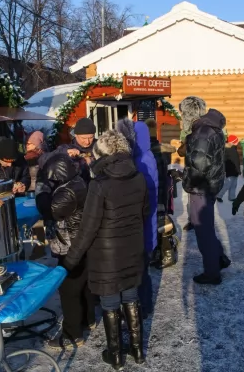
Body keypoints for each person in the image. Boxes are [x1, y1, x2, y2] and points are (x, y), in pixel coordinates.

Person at [63, 130, 148, 370]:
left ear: (103, 154)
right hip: (132, 246)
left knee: (111, 301)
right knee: (130, 295)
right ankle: (138, 350)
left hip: (106, 253)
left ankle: (116, 354)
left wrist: (70, 260)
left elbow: (88, 228)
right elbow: (144, 212)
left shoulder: (99, 184)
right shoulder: (139, 177)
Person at [36, 153, 95, 350]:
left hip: (71, 245)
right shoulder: (76, 181)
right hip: (80, 242)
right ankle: (88, 319)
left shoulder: (67, 191)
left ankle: (72, 335)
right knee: (83, 284)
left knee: (69, 290)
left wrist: (41, 187)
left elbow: (49, 210)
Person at [180, 96, 230, 285]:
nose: (181, 116)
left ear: (189, 113)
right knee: (205, 226)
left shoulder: (202, 132)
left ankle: (212, 273)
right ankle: (219, 259)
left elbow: (199, 166)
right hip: (210, 184)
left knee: (203, 231)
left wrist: (185, 181)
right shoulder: (208, 129)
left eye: (183, 113)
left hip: (201, 187)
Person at [116, 119, 158, 316]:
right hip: (145, 225)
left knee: (139, 271)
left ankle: (142, 307)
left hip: (141, 227)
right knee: (142, 270)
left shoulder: (139, 162)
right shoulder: (146, 157)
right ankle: (145, 304)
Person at [145, 118, 178, 268]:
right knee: (159, 223)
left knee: (161, 224)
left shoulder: (149, 152)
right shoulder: (160, 150)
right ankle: (160, 253)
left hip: (156, 193)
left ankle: (167, 254)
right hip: (162, 192)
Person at [55, 118, 96, 184]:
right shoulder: (68, 148)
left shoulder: (101, 147)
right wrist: (66, 152)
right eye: (84, 138)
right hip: (76, 188)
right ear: (76, 135)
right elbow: (50, 156)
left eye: (91, 137)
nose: (87, 142)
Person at [217, 134, 241, 202]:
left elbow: (236, 161)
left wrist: (238, 170)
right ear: (232, 142)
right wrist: (224, 170)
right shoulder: (227, 149)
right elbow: (224, 161)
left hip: (235, 170)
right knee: (227, 185)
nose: (237, 142)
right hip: (230, 170)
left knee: (234, 185)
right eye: (236, 141)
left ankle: (232, 197)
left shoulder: (234, 148)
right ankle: (219, 195)